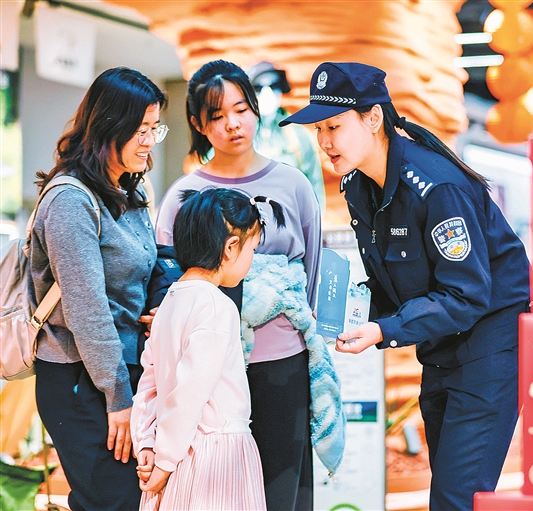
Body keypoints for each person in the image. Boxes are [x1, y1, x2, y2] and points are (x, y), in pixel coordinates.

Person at [280, 62, 531, 511]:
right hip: (440, 351)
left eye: (334, 126)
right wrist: (340, 311)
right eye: (319, 130)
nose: (324, 142)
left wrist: (382, 330)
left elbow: (466, 295)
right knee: (451, 495)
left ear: (373, 118)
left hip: (490, 352)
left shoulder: (437, 188)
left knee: (457, 499)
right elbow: (389, 284)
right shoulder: (359, 187)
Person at [154, 59, 322, 511]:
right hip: (207, 372)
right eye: (217, 115)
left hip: (281, 362)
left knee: (283, 490)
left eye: (241, 109)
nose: (233, 124)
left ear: (255, 109)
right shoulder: (184, 195)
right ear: (197, 124)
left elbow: (312, 269)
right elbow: (168, 282)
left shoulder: (293, 184)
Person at [28, 67, 167, 511]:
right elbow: (87, 312)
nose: (149, 141)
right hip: (82, 379)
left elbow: (147, 266)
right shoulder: (70, 200)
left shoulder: (127, 189)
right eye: (141, 130)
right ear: (109, 126)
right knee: (113, 501)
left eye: (155, 129)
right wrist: (118, 397)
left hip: (121, 372)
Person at [132, 188, 283, 510]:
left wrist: (147, 443)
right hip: (213, 457)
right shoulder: (216, 306)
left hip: (174, 449)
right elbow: (190, 393)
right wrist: (165, 462)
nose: (252, 259)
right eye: (252, 249)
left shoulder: (169, 301)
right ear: (231, 247)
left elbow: (149, 385)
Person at [247, 61, 326, 212]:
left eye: (274, 86)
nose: (267, 93)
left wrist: (314, 224)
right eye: (258, 88)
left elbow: (315, 191)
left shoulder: (298, 136)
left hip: (292, 221)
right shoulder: (237, 135)